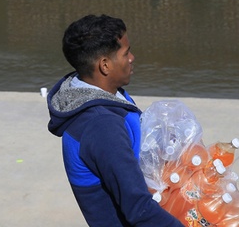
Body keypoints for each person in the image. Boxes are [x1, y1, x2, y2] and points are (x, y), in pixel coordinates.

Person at [47, 14, 180, 227]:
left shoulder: (106, 95)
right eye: (126, 53)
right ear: (105, 65)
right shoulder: (101, 126)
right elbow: (138, 209)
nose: (132, 58)